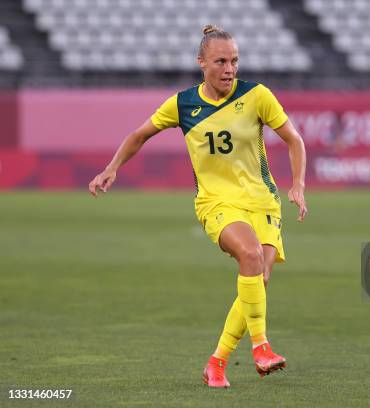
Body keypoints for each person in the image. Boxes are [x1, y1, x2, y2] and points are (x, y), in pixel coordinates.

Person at [88, 25, 307, 388]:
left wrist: (298, 184)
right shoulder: (183, 104)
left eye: (234, 61)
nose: (229, 69)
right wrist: (112, 168)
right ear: (201, 62)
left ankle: (216, 363)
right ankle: (262, 347)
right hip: (216, 202)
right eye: (221, 61)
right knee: (251, 257)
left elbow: (294, 140)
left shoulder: (257, 96)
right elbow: (139, 135)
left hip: (262, 201)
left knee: (258, 280)